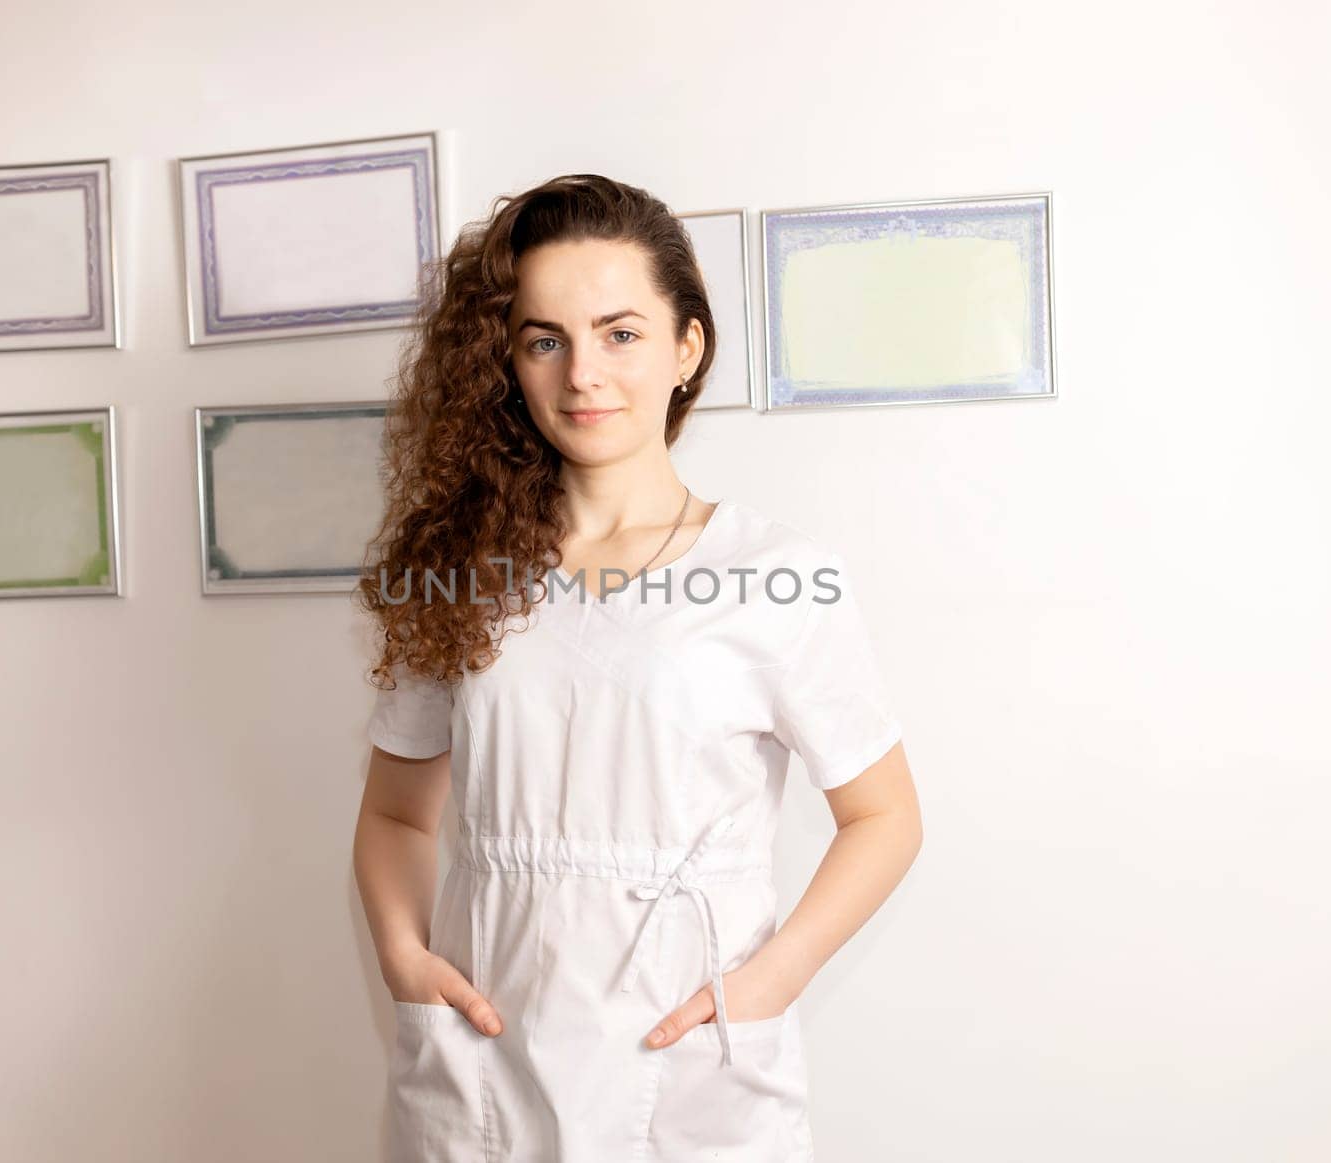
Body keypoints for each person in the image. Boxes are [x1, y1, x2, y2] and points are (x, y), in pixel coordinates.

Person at [352, 173, 922, 1162]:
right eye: (544, 339)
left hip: (687, 1052)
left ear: (684, 347)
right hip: (482, 1058)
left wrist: (768, 982)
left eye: (620, 333)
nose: (583, 375)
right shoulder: (462, 574)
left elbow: (884, 816)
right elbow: (398, 810)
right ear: (509, 360)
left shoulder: (775, 577)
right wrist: (405, 955)